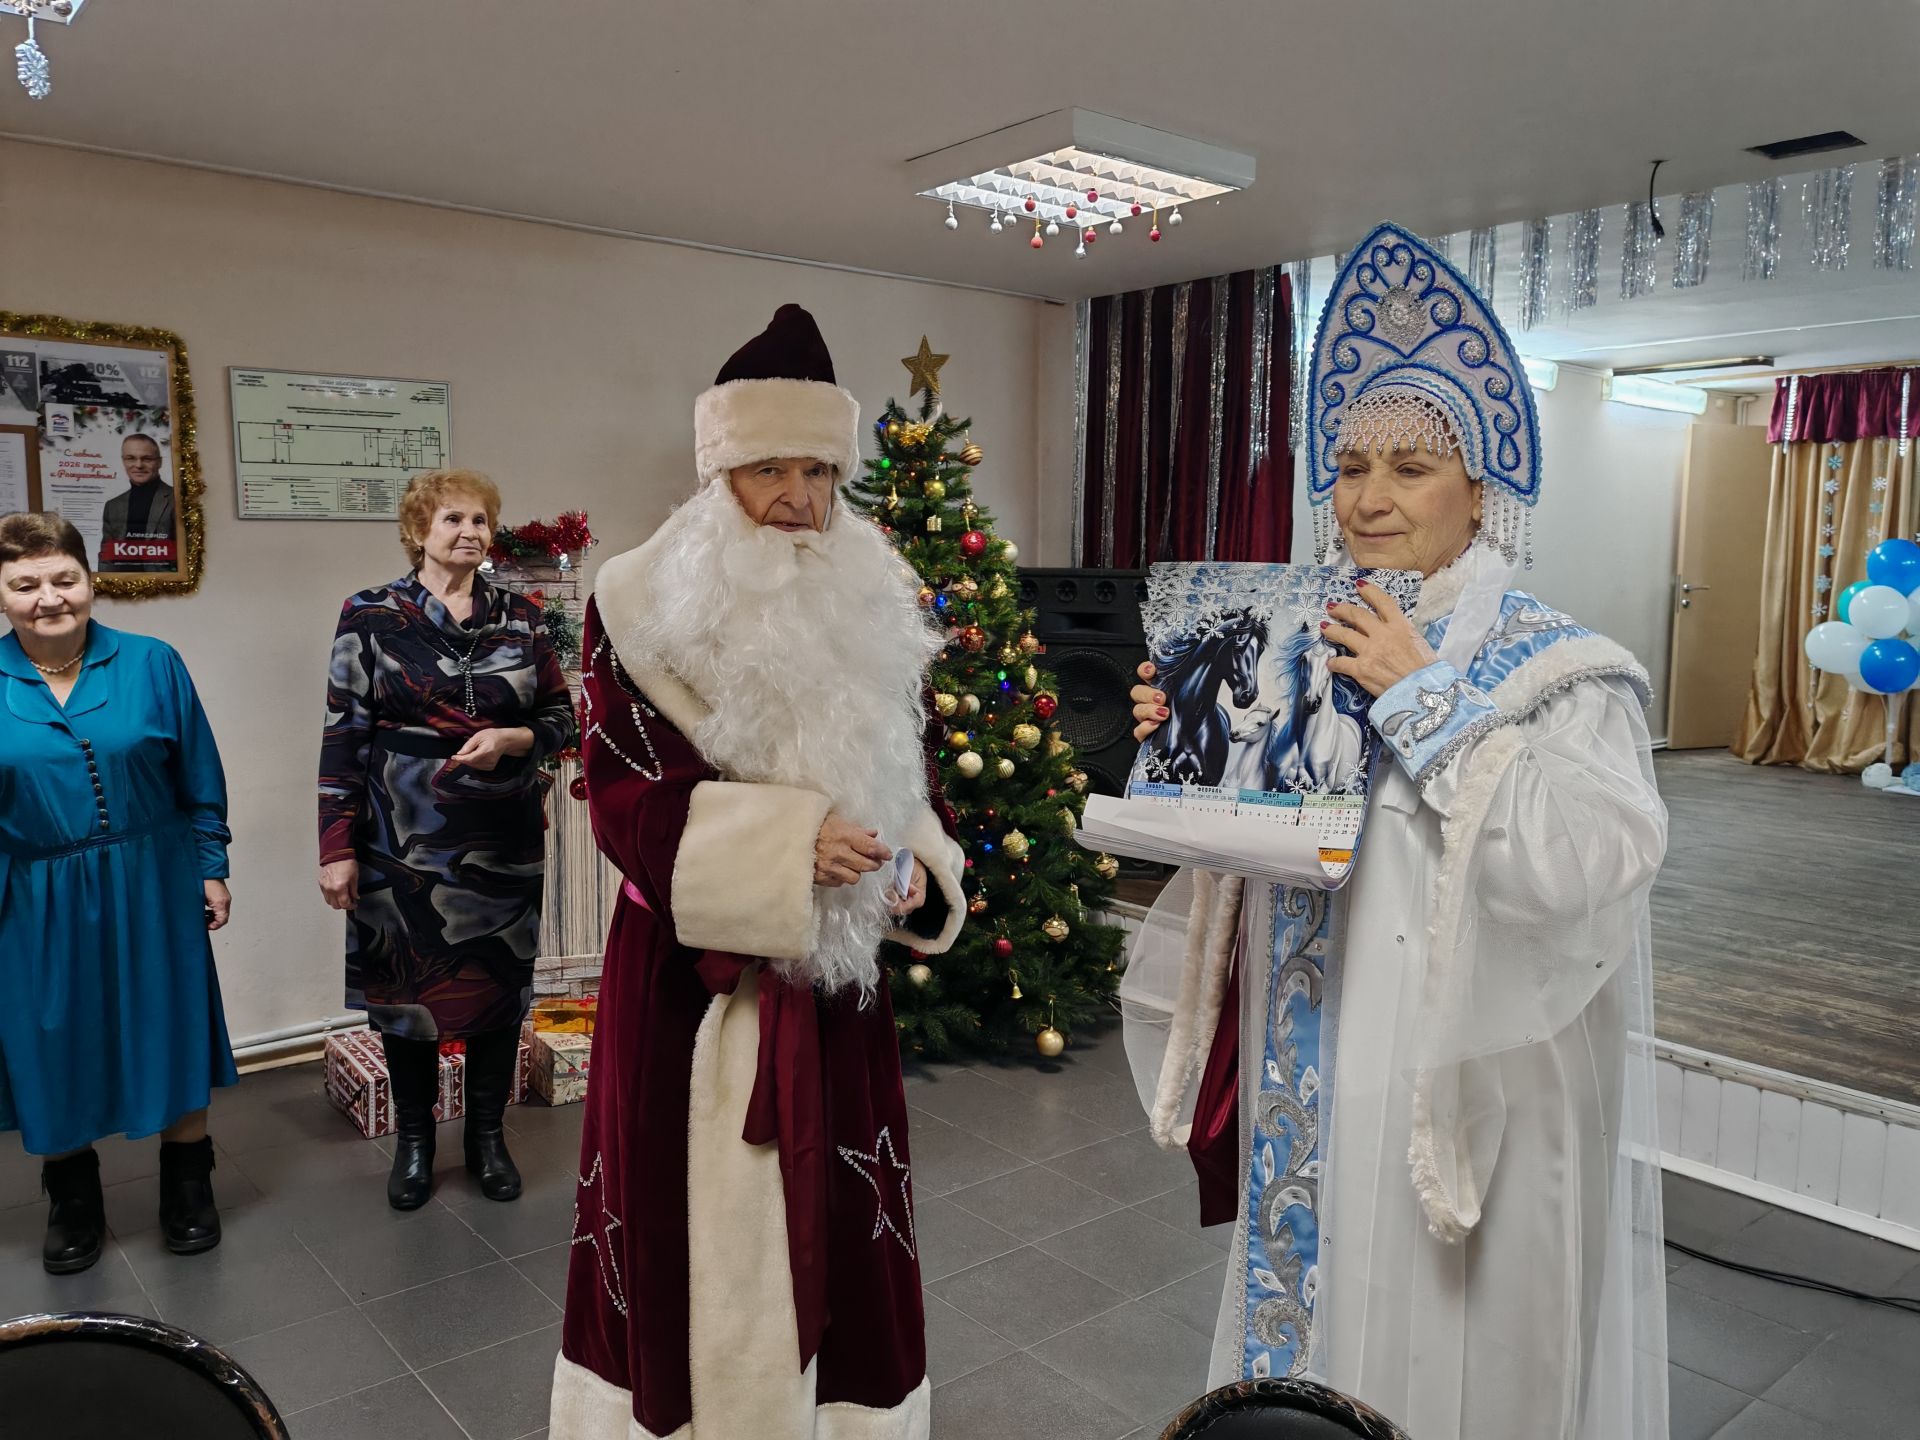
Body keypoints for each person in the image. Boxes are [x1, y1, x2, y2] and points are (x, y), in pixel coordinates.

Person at [1126, 224, 1669, 1439]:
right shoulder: (1296, 633)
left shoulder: (1562, 668)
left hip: (1466, 1096)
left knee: (1446, 1347)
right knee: (1312, 1330)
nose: (1368, 498)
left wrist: (1427, 700)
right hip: (1312, 1070)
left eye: (1411, 468)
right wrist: (1189, 743)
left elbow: (1587, 870)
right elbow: (1245, 851)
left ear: (1482, 491)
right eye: (1351, 465)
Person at [548, 305, 968, 1440]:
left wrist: (910, 860)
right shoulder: (635, 603)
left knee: (846, 1217)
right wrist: (788, 850)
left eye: (817, 471)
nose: (796, 497)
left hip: (836, 993)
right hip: (689, 993)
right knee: (682, 1235)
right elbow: (623, 796)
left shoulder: (868, 587)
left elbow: (900, 769)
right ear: (719, 473)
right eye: (769, 470)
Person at [318, 469, 574, 1210]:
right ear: (418, 530)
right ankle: (415, 1143)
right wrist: (335, 846)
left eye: (480, 520)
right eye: (452, 519)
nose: (469, 532)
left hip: (501, 836)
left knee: (497, 987)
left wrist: (515, 738)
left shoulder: (522, 617)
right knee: (407, 994)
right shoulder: (371, 614)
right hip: (399, 837)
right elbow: (343, 734)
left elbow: (562, 716)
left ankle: (488, 1138)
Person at [0, 511, 236, 1273]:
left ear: (90, 581)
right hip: (34, 893)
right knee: (50, 1038)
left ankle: (188, 1184)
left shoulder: (153, 663)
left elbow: (198, 776)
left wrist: (210, 864)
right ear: (1, 596)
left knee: (169, 1022)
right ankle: (72, 1198)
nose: (48, 598)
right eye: (25, 585)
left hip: (152, 879)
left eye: (63, 579)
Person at [98, 434, 177, 573]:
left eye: (147, 459)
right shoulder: (112, 506)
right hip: (121, 585)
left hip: (164, 585)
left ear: (159, 462)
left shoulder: (176, 500)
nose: (139, 465)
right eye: (131, 458)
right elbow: (106, 559)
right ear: (123, 461)